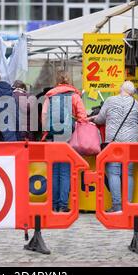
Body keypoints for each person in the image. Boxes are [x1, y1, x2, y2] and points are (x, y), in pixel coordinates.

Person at [42, 71, 87, 213]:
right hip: (68, 137)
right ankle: (63, 204)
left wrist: (46, 131)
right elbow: (83, 116)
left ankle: (53, 204)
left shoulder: (50, 95)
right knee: (65, 172)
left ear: (57, 82)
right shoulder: (74, 96)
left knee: (54, 171)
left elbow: (43, 116)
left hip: (53, 137)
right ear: (69, 81)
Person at [92, 81, 138, 212]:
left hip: (114, 141)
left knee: (114, 172)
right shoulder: (135, 103)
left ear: (121, 89)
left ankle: (117, 205)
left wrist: (94, 119)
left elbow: (100, 119)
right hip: (131, 141)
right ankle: (128, 205)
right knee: (128, 173)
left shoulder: (111, 100)